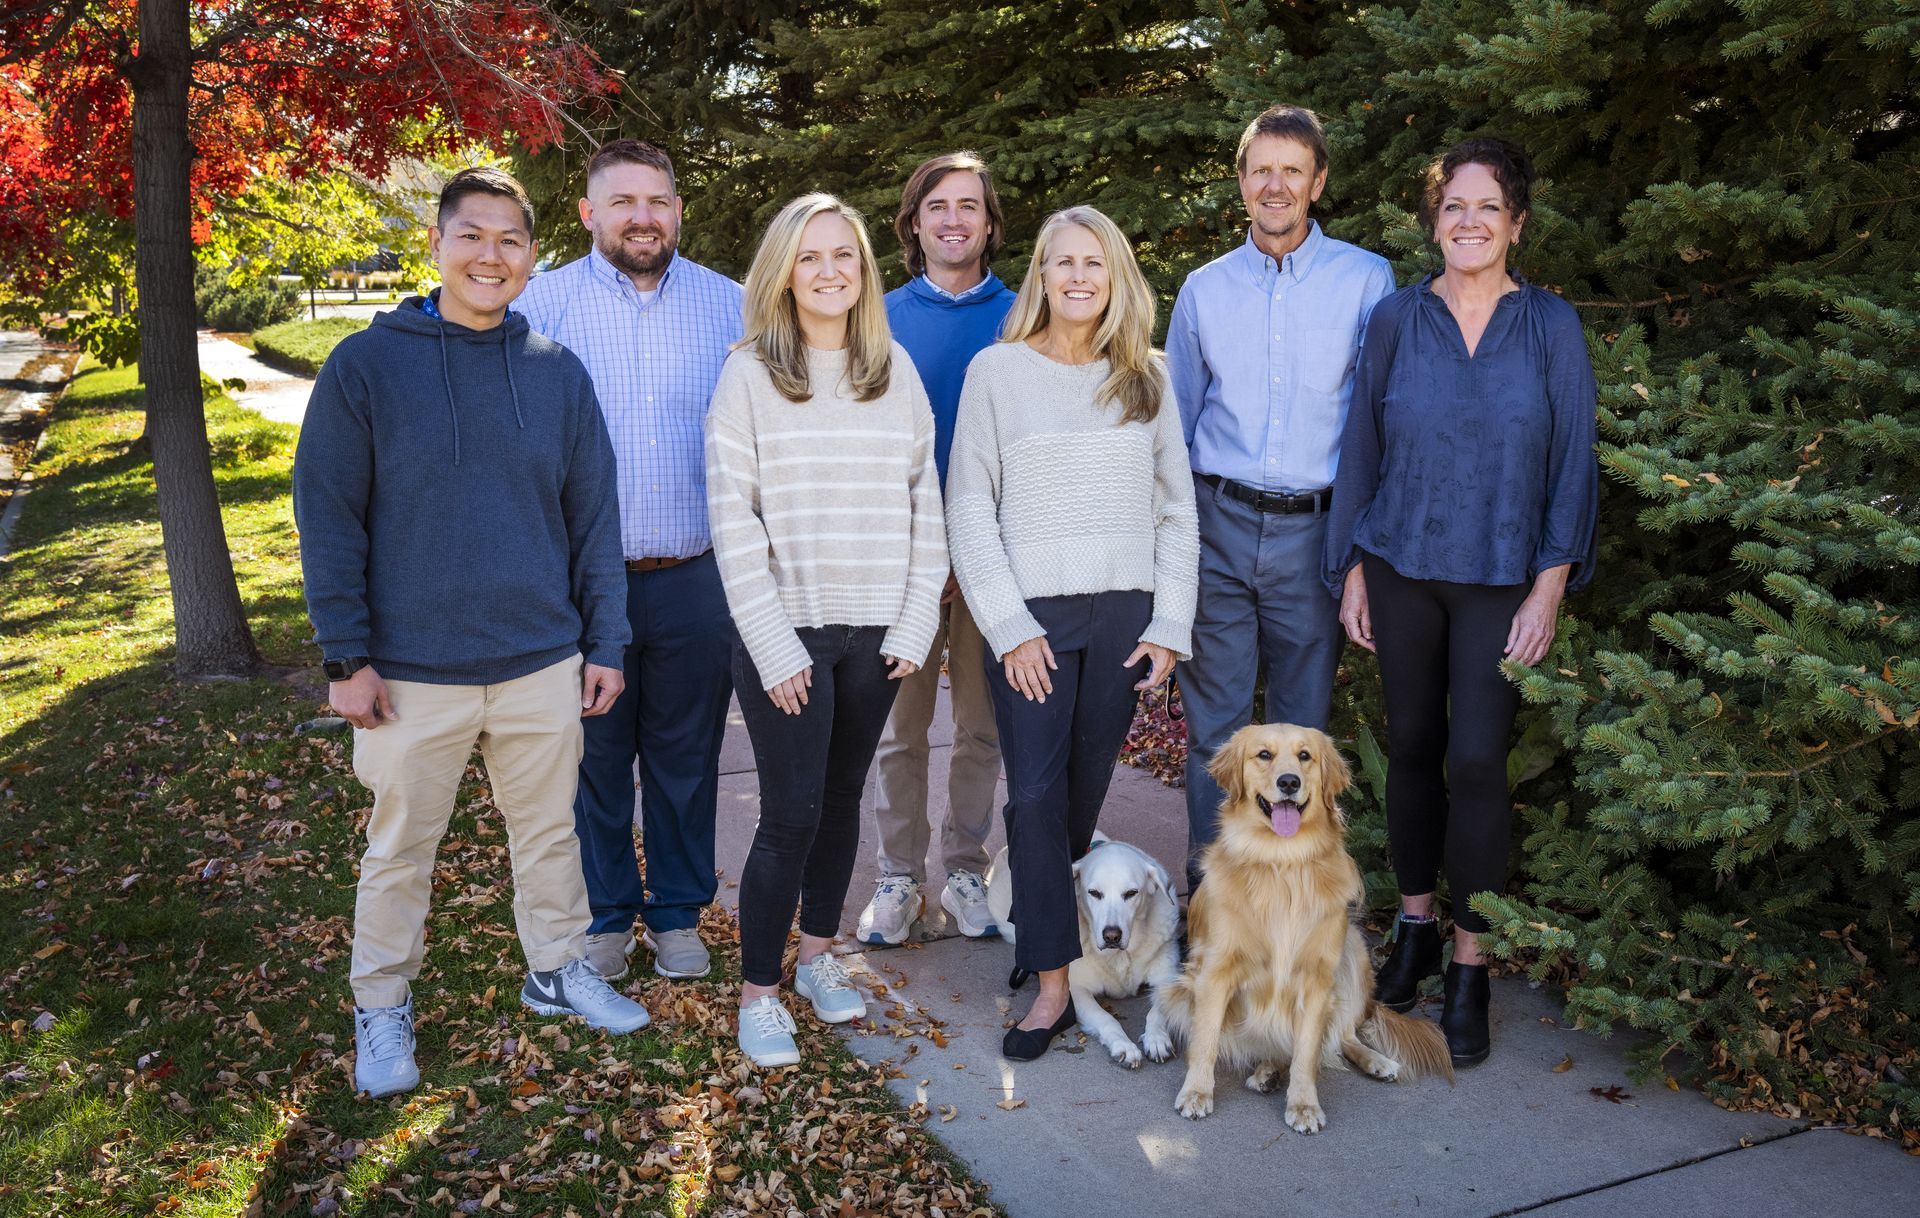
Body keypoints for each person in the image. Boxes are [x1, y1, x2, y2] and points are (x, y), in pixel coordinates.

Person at [294, 167, 650, 1099]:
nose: (490, 256)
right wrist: (346, 657)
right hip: (413, 672)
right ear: (437, 245)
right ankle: (380, 1008)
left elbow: (593, 523)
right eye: (472, 236)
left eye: (510, 241)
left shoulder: (555, 372)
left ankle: (558, 969)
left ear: (534, 259)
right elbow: (327, 516)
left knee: (550, 836)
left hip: (540, 659)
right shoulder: (366, 367)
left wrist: (604, 642)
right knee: (401, 848)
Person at [1324, 137, 1598, 1066]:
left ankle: (1471, 966)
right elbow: (1360, 441)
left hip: (1501, 577)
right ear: (1433, 222)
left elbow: (1572, 459)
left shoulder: (1550, 325)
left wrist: (1551, 582)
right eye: (1452, 207)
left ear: (1517, 222)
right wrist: (1353, 564)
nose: (1469, 222)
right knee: (1412, 747)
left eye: (1488, 207)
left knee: (1478, 762)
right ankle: (1412, 930)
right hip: (1401, 563)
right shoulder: (1398, 319)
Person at [946, 205, 1199, 1061]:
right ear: (1042, 276)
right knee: (1034, 797)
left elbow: (1176, 510)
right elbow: (970, 507)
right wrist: (1009, 627)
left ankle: (1047, 932)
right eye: (1064, 263)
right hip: (1035, 622)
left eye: (1096, 263)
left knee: (1083, 793)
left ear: (1116, 276)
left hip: (1124, 616)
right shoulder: (997, 372)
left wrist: (1170, 623)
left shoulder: (1147, 377)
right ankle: (1052, 983)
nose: (1080, 277)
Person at [705, 194, 947, 1068]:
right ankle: (759, 992)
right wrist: (772, 645)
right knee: (790, 815)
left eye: (844, 255)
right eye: (811, 257)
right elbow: (733, 521)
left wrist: (917, 620)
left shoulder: (896, 373)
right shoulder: (749, 376)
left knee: (844, 805)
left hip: (878, 636)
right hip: (789, 638)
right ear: (783, 272)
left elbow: (930, 507)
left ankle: (817, 958)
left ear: (865, 270)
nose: (831, 270)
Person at [513, 141, 744, 984]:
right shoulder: (542, 306)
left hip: (694, 573)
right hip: (582, 583)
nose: (643, 218)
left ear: (678, 210)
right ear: (588, 214)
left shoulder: (734, 306)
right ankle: (606, 916)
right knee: (595, 759)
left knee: (686, 757)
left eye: (658, 201)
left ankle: (678, 914)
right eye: (623, 203)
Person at [1166, 104, 1397, 892]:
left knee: (1300, 737)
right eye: (1260, 169)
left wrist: (1361, 547)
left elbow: (1376, 422)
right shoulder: (1203, 290)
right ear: (1240, 182)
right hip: (1218, 525)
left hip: (1316, 532)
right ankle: (1213, 907)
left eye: (1292, 170)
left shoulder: (1366, 281)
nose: (1275, 185)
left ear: (1318, 181)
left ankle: (1293, 903)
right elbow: (1178, 425)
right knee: (1220, 736)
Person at [856, 152, 1018, 946]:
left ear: (990, 223)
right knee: (902, 728)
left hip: (994, 556)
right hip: (903, 559)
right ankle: (897, 875)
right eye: (937, 207)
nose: (954, 219)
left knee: (983, 724)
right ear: (914, 223)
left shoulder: (1027, 315)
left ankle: (963, 867)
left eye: (969, 206)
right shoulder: (874, 318)